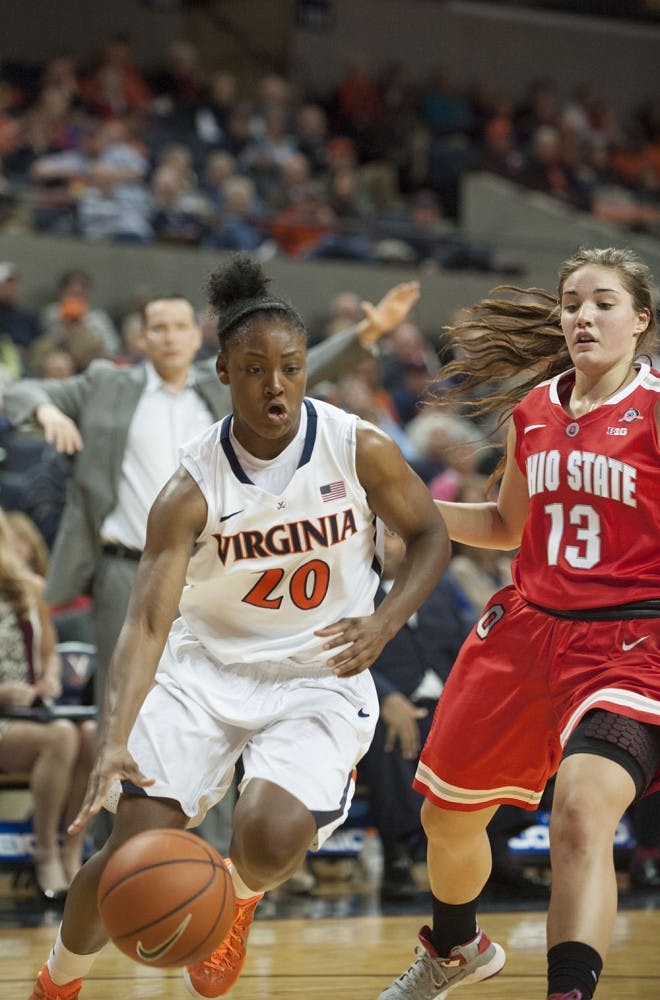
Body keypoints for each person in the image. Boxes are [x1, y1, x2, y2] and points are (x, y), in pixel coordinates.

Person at [26, 252, 450, 1000]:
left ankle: (239, 902)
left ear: (305, 369)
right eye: (254, 369)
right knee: (130, 852)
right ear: (222, 372)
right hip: (207, 669)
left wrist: (385, 624)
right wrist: (116, 737)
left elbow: (431, 537)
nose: (275, 383)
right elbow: (147, 620)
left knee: (269, 833)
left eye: (289, 366)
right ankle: (57, 982)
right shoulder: (191, 485)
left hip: (320, 672)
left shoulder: (359, 447)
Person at [377, 246, 660, 1000]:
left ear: (641, 320)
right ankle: (456, 947)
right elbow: (507, 526)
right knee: (444, 819)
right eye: (572, 303)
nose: (582, 316)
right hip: (529, 631)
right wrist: (408, 511)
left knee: (580, 811)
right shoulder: (533, 411)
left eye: (603, 302)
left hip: (632, 645)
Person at [3, 275, 421, 710]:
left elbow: (304, 363)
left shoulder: (224, 383)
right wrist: (47, 410)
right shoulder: (107, 385)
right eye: (158, 328)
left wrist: (369, 331)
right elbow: (23, 392)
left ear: (197, 335)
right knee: (123, 696)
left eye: (180, 327)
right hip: (126, 566)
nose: (170, 337)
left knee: (220, 694)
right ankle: (113, 778)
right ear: (143, 337)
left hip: (216, 566)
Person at [358, 526, 468, 898]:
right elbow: (342, 655)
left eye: (393, 535)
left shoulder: (439, 587)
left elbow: (469, 644)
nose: (386, 544)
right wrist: (386, 697)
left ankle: (496, 856)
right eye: (380, 536)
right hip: (391, 701)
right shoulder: (353, 594)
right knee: (385, 736)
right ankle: (399, 855)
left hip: (449, 702)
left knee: (486, 736)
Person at [0, 507, 95, 899]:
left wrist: (50, 678)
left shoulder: (31, 588)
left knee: (91, 733)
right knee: (60, 737)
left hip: (34, 710)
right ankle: (44, 853)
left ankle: (71, 849)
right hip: (6, 714)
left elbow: (51, 652)